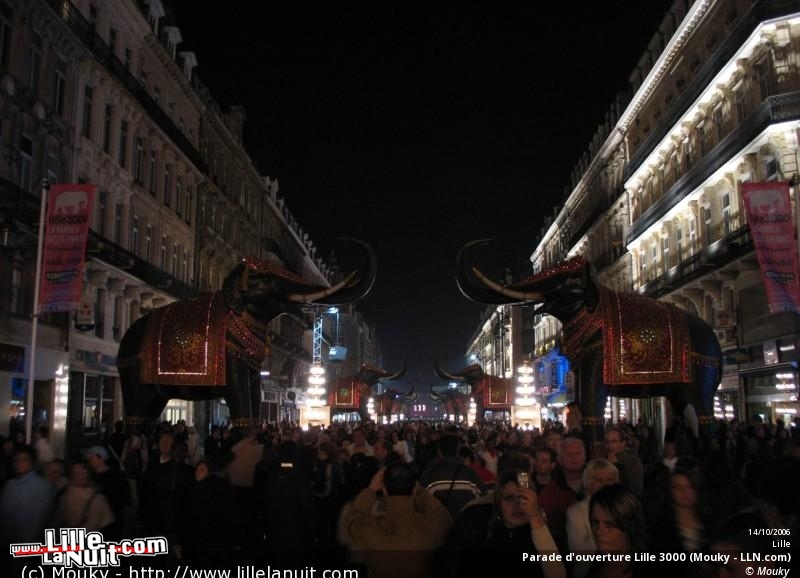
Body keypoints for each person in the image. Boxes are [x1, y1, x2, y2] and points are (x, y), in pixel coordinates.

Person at [341, 462, 452, 578]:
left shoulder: (369, 528)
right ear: (414, 489)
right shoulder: (429, 526)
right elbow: (442, 514)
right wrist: (421, 492)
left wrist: (371, 490)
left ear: (384, 489)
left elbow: (352, 519)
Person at [566, 459, 620, 578]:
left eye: (610, 480)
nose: (606, 485)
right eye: (599, 480)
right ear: (589, 483)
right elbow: (580, 555)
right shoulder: (576, 513)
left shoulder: (622, 508)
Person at [586, 483, 649, 578]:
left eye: (609, 525)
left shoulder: (649, 570)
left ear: (629, 527)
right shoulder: (598, 563)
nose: (599, 532)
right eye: (595, 522)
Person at [0, 445, 53, 544]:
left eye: (24, 460)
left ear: (33, 462)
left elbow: (39, 520)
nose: (19, 463)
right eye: (16, 460)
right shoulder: (10, 484)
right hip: (6, 542)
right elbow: (4, 514)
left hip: (27, 544)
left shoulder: (42, 486)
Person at [51, 458, 115, 533]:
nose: (80, 475)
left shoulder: (97, 497)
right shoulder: (65, 493)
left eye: (83, 471)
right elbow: (57, 519)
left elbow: (93, 525)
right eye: (75, 472)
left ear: (89, 472)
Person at [83, 445, 129, 540]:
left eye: (92, 458)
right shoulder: (90, 477)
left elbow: (124, 501)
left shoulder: (116, 478)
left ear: (101, 459)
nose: (89, 461)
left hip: (112, 525)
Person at [604, 427, 643, 497]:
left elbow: (636, 489)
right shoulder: (603, 460)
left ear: (623, 444)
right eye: (607, 441)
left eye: (614, 441)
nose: (610, 445)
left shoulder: (633, 462)